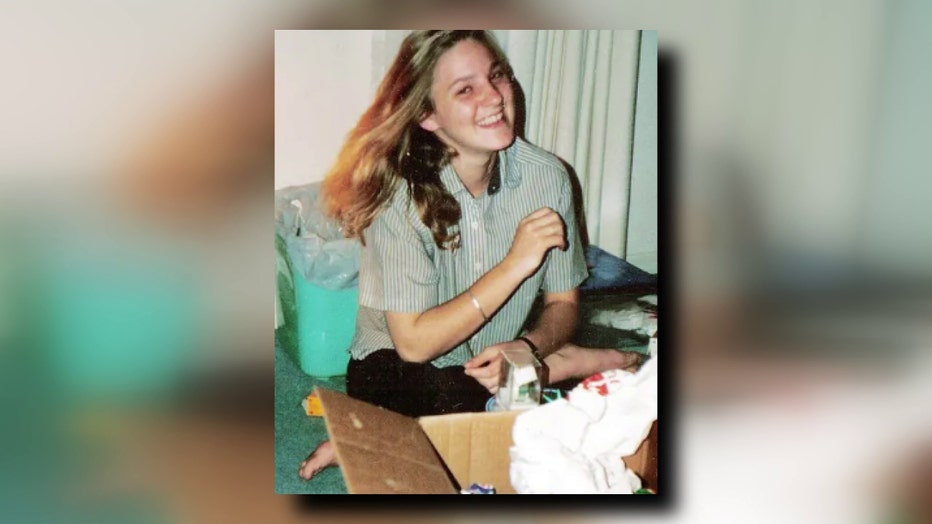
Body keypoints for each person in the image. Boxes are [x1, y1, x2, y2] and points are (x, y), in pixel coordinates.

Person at [299, 30, 642, 481]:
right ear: (427, 115)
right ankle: (559, 368)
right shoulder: (399, 194)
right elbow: (415, 345)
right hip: (402, 361)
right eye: (466, 89)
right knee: (466, 428)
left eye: (497, 76)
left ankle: (554, 367)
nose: (495, 97)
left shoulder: (549, 178)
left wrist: (529, 346)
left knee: (546, 433)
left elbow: (563, 303)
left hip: (498, 360)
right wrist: (515, 265)